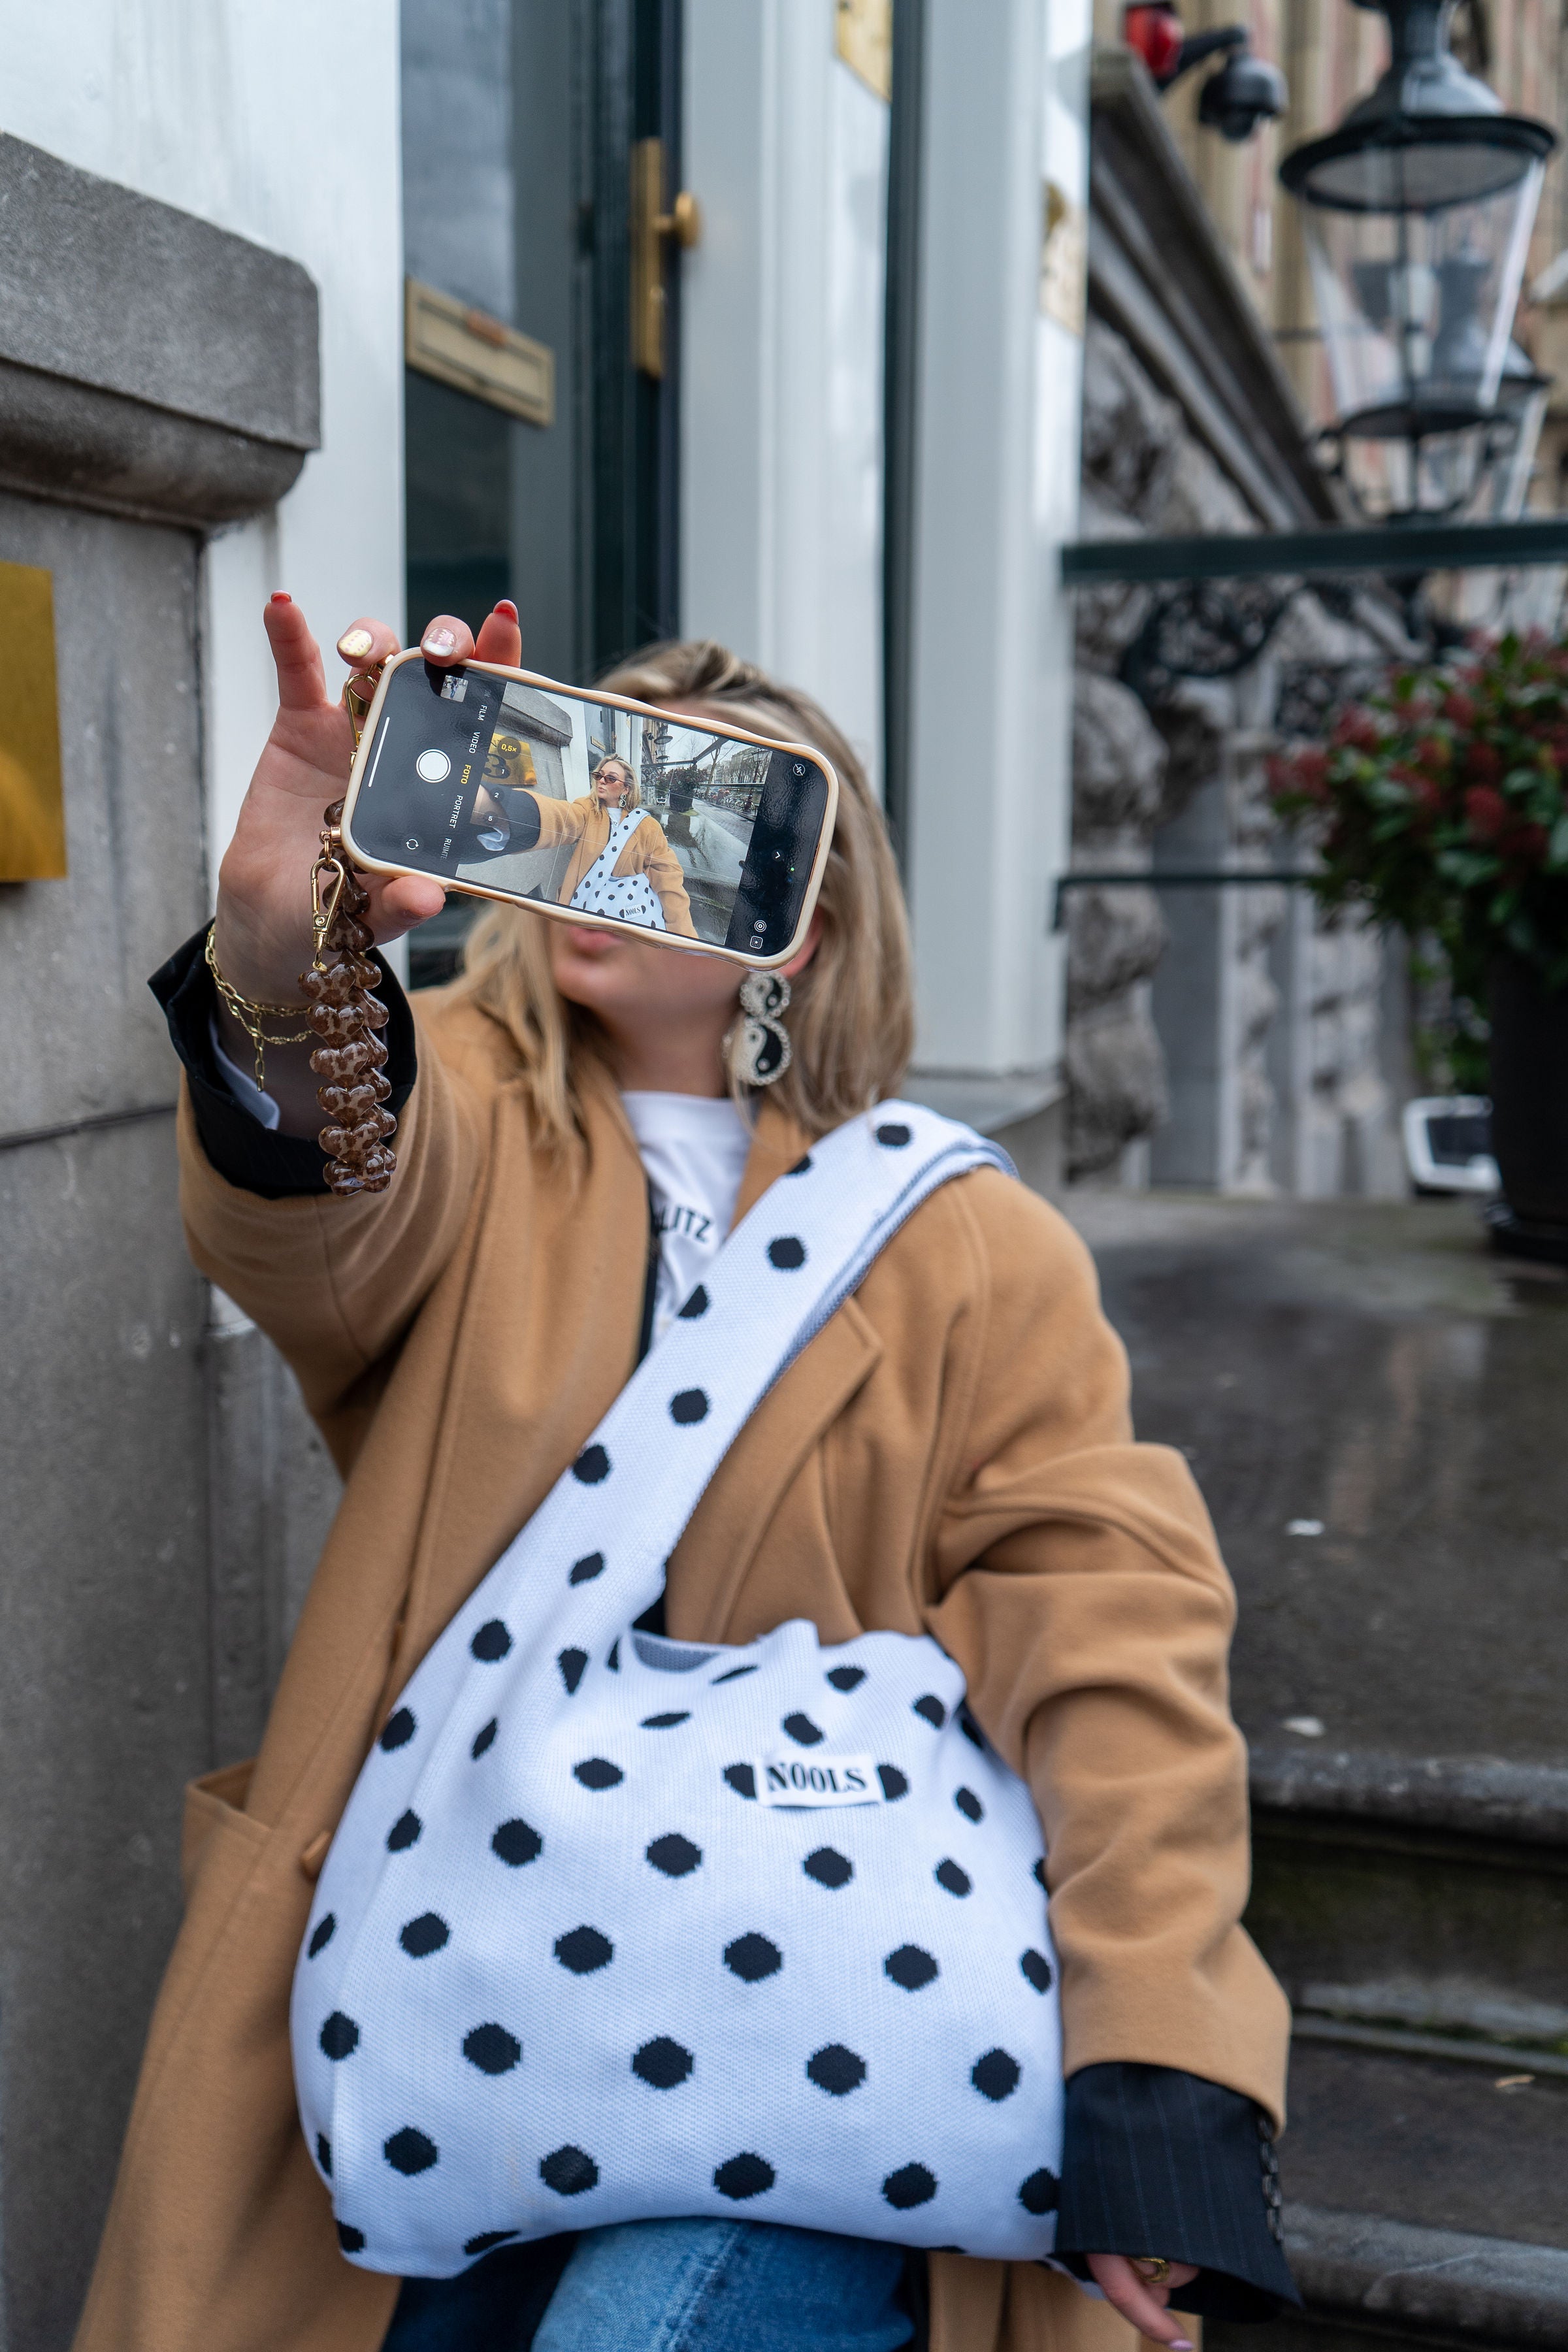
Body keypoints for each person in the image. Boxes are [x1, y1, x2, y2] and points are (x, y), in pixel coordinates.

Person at [78, 595, 1298, 2352]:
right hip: (456, 1944)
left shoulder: (968, 1241)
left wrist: (1157, 2062)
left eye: (683, 817)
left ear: (805, 917)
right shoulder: (466, 1103)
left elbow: (1115, 1644)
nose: (611, 849)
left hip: (814, 1969)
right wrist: (290, 957)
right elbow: (324, 1182)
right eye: (588, 793)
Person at [468, 747, 698, 938]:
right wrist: (492, 808)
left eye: (611, 778)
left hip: (629, 930)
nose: (602, 781)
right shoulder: (587, 811)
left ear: (626, 788)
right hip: (580, 921)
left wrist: (684, 942)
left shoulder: (648, 827)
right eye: (599, 776)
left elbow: (669, 882)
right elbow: (562, 818)